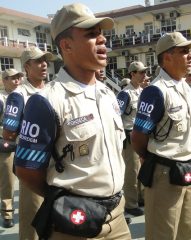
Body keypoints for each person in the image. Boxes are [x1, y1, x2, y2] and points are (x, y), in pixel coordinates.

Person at [14, 3, 131, 239]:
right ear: (66, 45)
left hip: (117, 218)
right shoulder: (47, 101)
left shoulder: (108, 95)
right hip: (75, 223)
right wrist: (65, 201)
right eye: (91, 34)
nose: (102, 41)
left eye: (101, 33)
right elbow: (26, 170)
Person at [131, 32, 191, 240]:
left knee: (186, 232)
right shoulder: (155, 91)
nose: (190, 56)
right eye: (184, 51)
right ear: (167, 57)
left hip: (187, 169)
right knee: (163, 234)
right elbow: (138, 136)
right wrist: (153, 159)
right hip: (165, 174)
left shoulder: (185, 87)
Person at [2, 47, 55, 240]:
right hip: (33, 164)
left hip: (56, 163)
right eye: (38, 61)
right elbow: (8, 132)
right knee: (32, 216)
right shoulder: (19, 95)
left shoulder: (53, 89)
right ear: (26, 66)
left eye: (45, 61)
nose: (44, 65)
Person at [117, 61, 148, 217]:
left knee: (142, 168)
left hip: (142, 134)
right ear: (132, 74)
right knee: (132, 170)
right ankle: (130, 203)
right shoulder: (125, 94)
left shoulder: (143, 92)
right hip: (130, 135)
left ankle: (141, 197)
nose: (144, 75)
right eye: (140, 72)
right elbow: (116, 116)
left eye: (144, 72)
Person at [0, 69, 23, 228]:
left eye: (18, 78)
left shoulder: (24, 95)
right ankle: (7, 214)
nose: (17, 81)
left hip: (25, 143)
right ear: (4, 80)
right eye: (13, 78)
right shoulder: (1, 99)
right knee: (7, 181)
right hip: (6, 145)